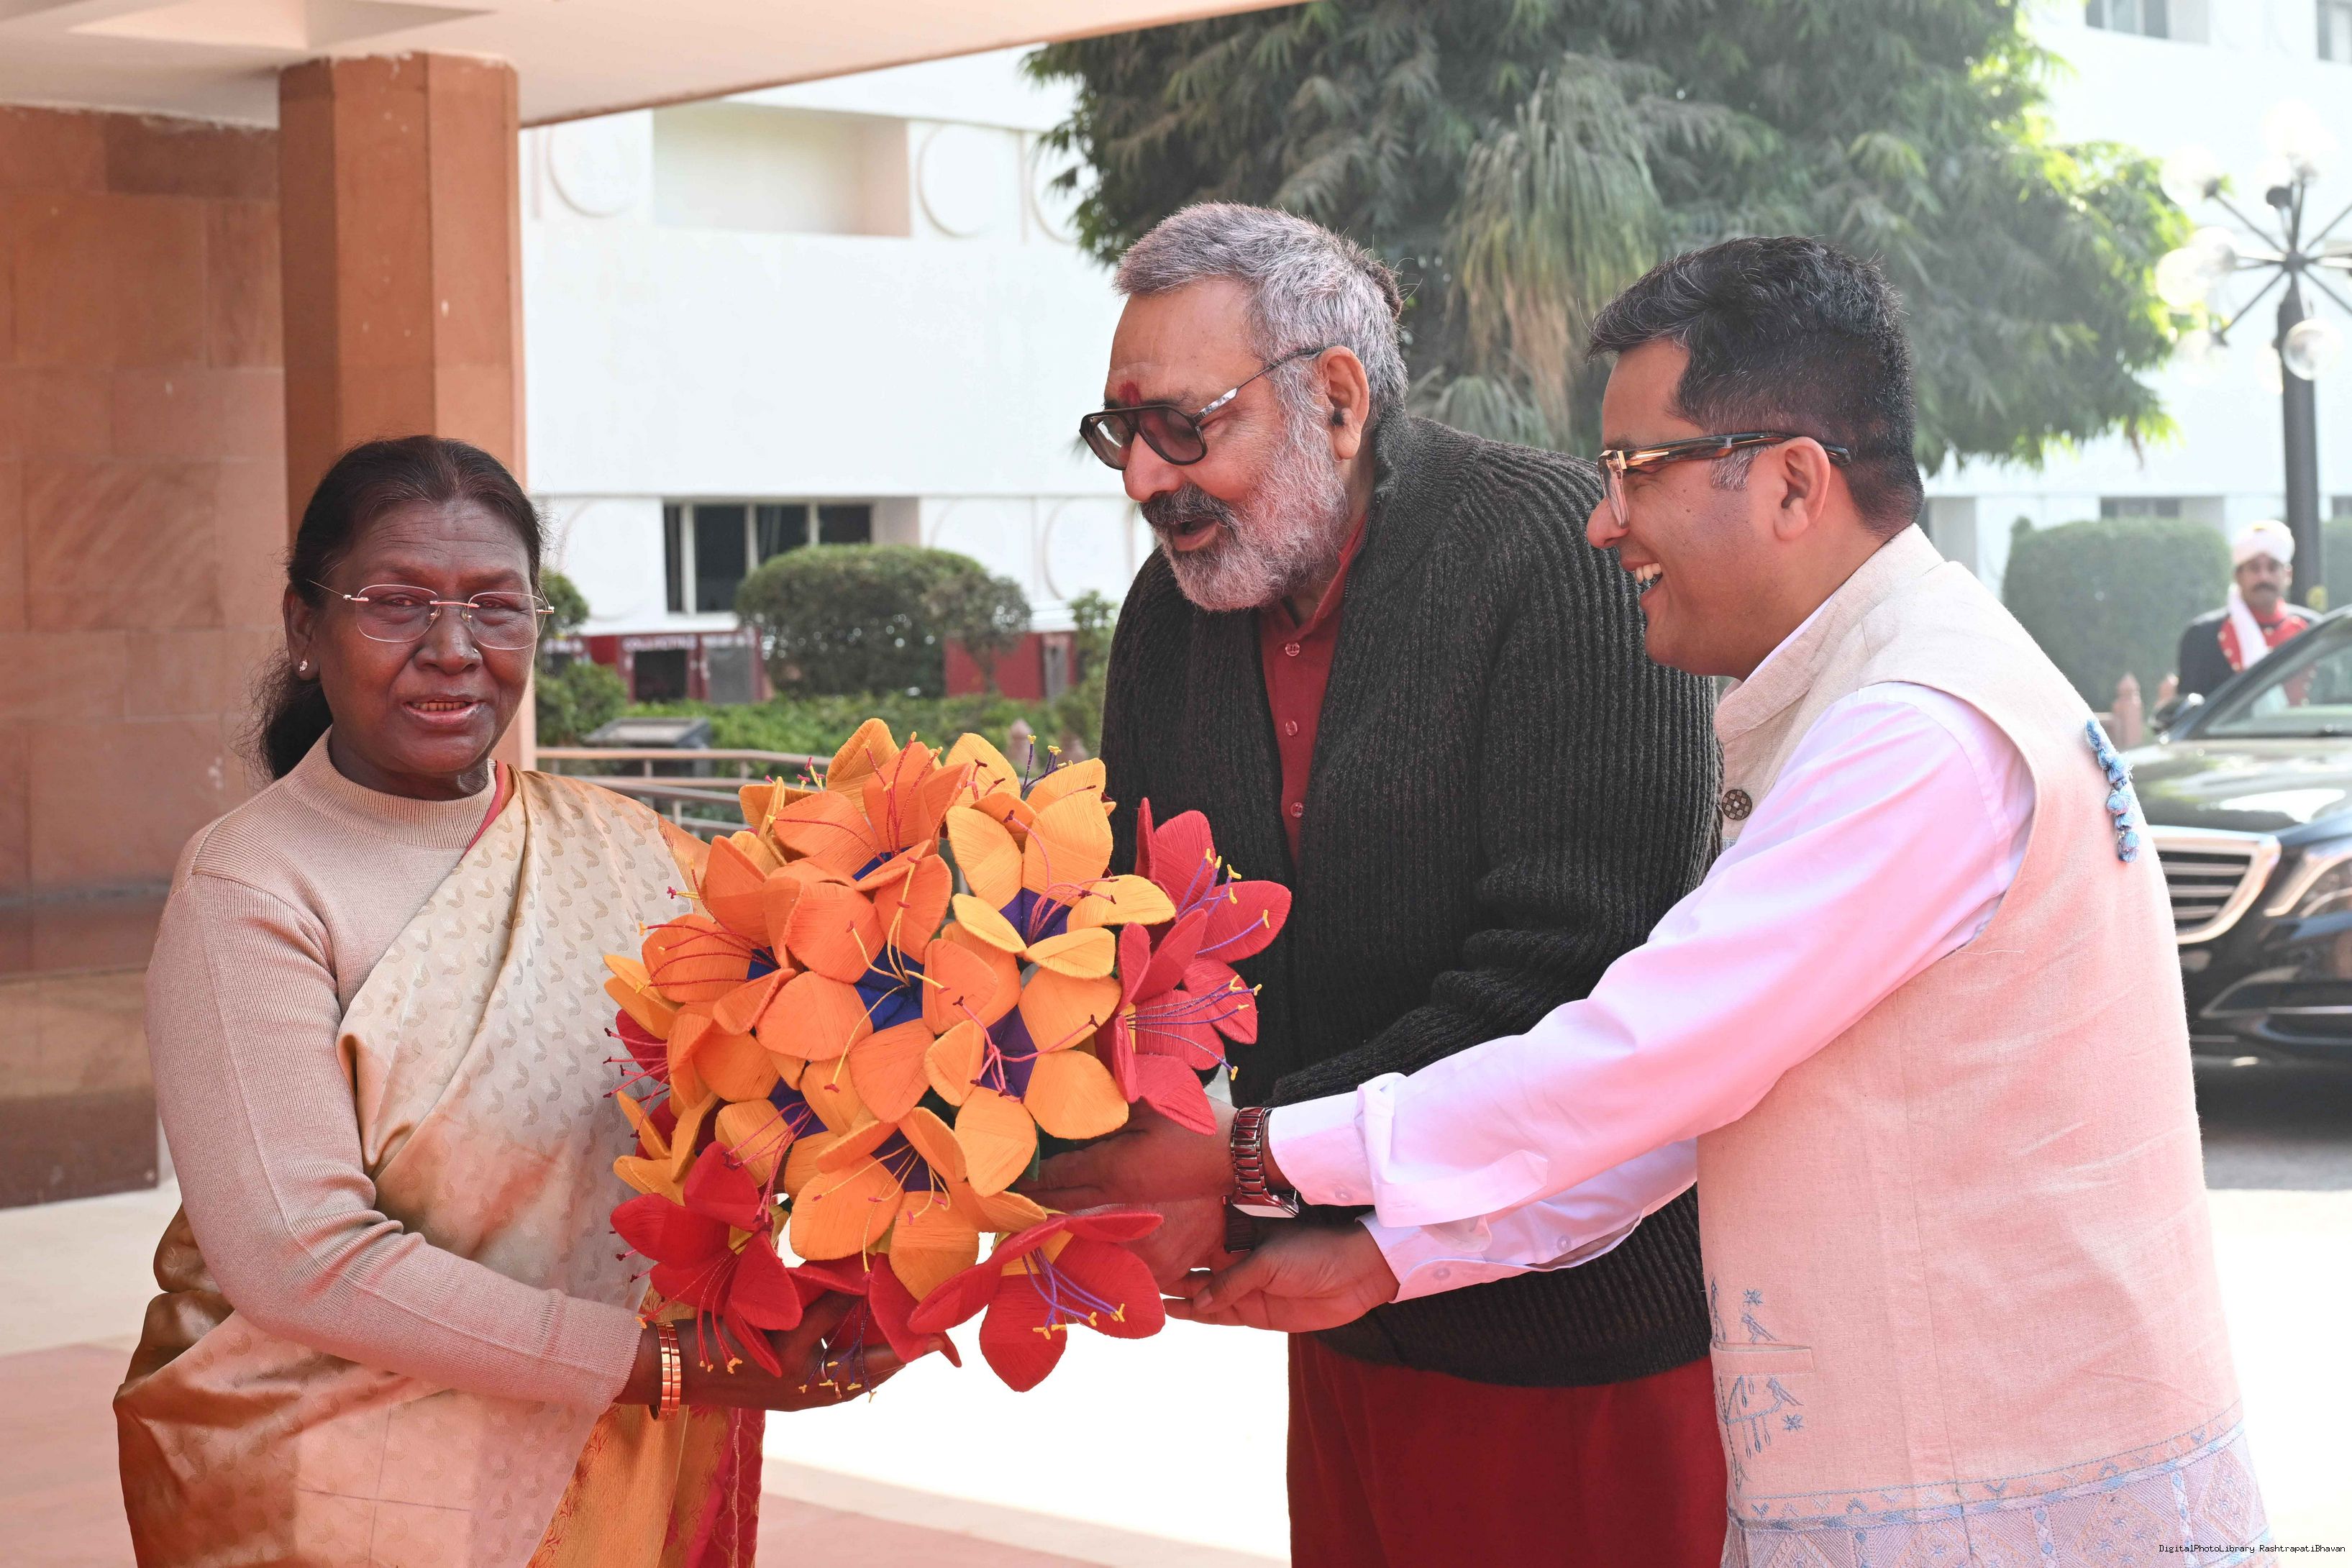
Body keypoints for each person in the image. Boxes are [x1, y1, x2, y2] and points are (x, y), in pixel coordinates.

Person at [1162, 237, 2269, 1563]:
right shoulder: (1881, 692)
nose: (1602, 521)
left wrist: (1260, 1150)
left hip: (1985, 1491)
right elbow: (1704, 1103)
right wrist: (1399, 1256)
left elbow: (1645, 1057)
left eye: (1638, 470)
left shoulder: (1918, 734)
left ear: (1794, 482)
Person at [1029, 204, 1728, 1564]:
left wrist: (1247, 1164)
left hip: (1576, 1340)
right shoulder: (1169, 617)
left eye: (1185, 426)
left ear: (1337, 402)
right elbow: (1140, 944)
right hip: (1333, 1322)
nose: (1145, 479)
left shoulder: (1551, 553)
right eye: (1122, 434)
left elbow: (1572, 979)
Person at [115, 437, 914, 1567]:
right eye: (396, 604)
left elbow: (782, 1077)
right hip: (334, 1492)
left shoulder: (636, 856)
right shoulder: (251, 888)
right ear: (305, 626)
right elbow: (298, 1260)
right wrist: (671, 1366)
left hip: (605, 1457)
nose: (453, 650)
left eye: (495, 606)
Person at [2176, 518, 2314, 699]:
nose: (2263, 577)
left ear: (2288, 575)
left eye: (2273, 567)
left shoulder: (2313, 629)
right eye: (2254, 568)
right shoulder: (2203, 636)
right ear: (2238, 576)